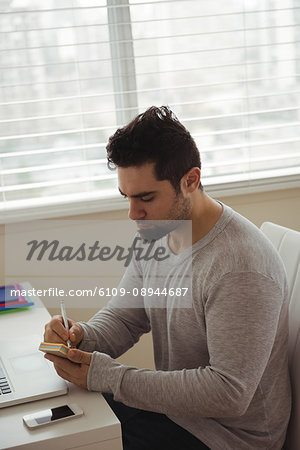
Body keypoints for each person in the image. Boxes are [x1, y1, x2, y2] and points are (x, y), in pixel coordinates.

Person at [44, 106, 291, 450]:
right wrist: (80, 338)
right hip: (176, 416)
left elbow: (229, 392)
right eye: (127, 197)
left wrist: (107, 375)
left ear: (190, 180)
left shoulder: (240, 266)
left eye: (146, 198)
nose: (134, 214)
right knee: (56, 425)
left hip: (225, 438)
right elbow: (125, 318)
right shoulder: (159, 231)